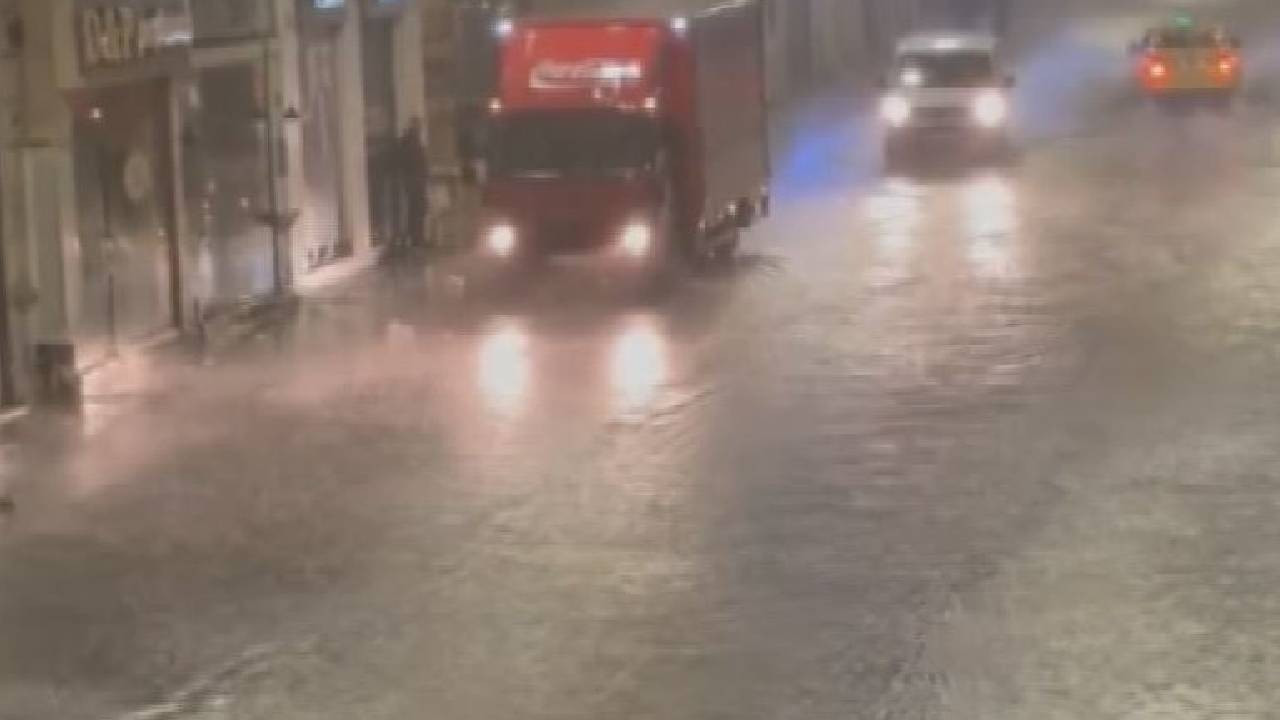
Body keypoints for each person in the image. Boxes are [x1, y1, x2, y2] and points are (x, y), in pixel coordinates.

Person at [398, 118, 429, 250]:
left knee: (416, 210)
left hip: (414, 180)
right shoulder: (411, 143)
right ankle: (416, 239)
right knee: (417, 210)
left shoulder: (410, 142)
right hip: (414, 181)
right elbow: (416, 163)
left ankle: (416, 239)